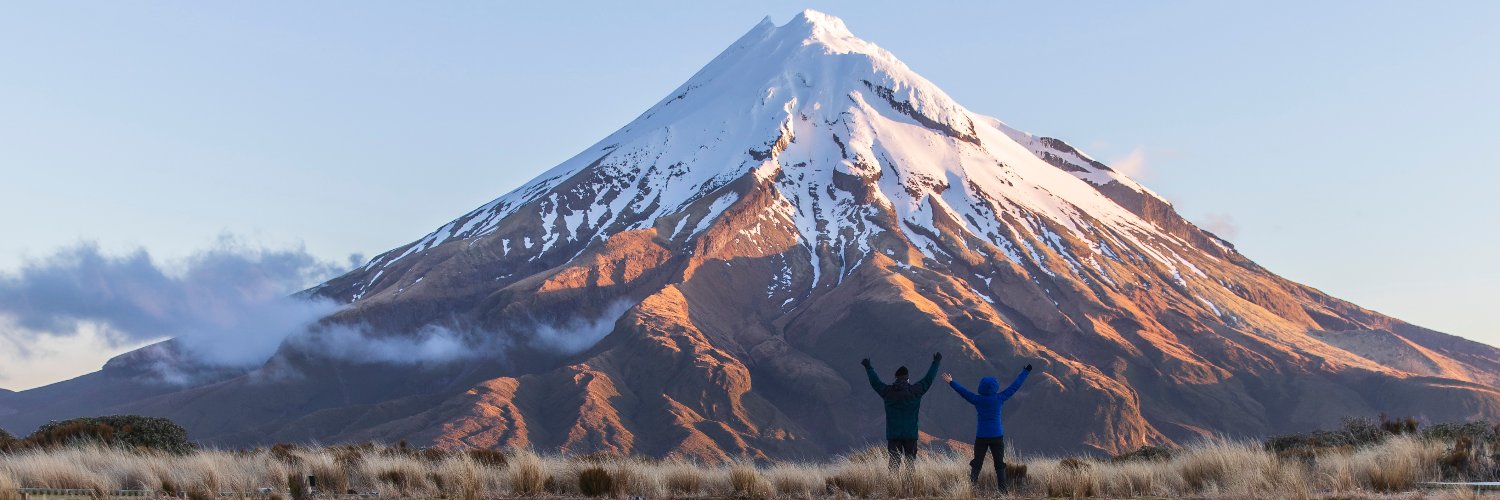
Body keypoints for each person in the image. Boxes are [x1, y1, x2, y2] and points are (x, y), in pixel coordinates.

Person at [943, 364, 1032, 490]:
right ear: (995, 387)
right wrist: (1025, 372)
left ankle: (971, 488)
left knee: (977, 463)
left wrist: (951, 382)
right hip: (997, 436)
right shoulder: (1000, 398)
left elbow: (963, 392)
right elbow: (1015, 386)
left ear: (981, 387)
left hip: (982, 436)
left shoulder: (977, 399)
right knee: (999, 464)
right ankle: (1003, 490)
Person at [862, 352, 941, 471]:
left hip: (893, 435)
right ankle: (909, 483)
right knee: (910, 464)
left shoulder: (888, 392)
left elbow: (875, 383)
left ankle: (893, 483)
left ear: (896, 378)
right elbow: (928, 379)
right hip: (910, 434)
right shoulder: (915, 391)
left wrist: (869, 368)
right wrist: (936, 362)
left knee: (894, 463)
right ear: (908, 379)